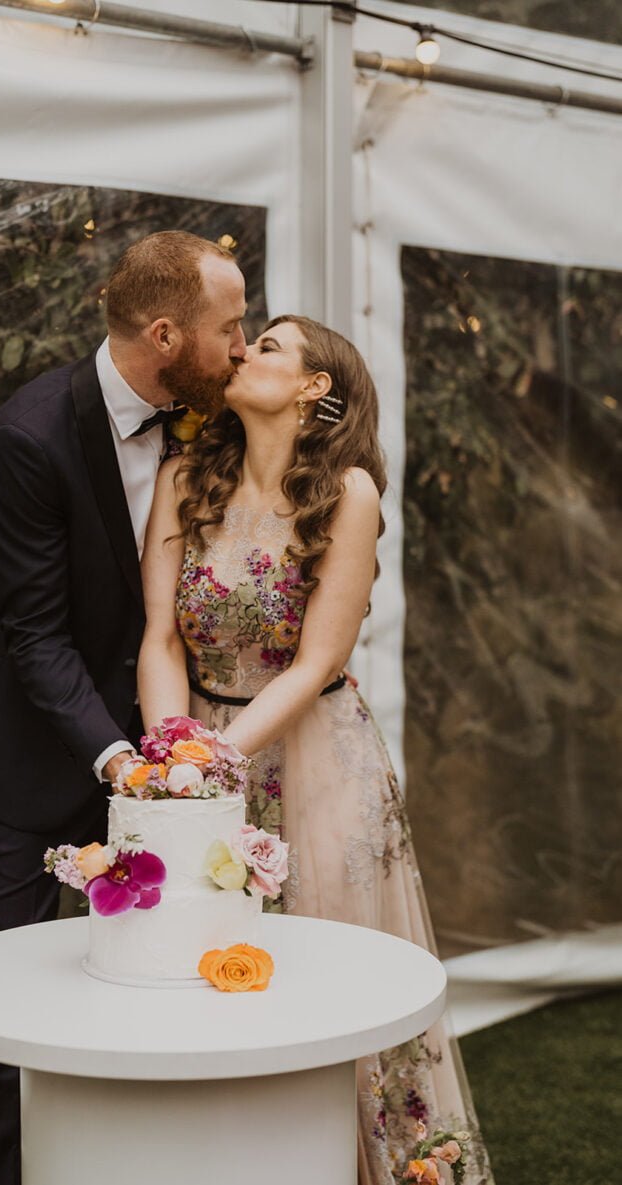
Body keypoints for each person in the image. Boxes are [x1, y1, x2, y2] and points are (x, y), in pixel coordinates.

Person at [138, 314, 494, 1184]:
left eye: (268, 345)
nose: (241, 350)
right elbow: (160, 638)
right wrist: (168, 759)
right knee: (202, 969)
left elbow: (318, 661)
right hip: (197, 744)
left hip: (316, 755)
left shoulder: (348, 493)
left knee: (327, 982)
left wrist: (209, 763)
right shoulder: (185, 476)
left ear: (314, 386)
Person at [0, 230, 247, 1185]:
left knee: (151, 983)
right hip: (34, 761)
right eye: (231, 328)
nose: (243, 347)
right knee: (8, 1006)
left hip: (161, 748)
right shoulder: (29, 436)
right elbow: (33, 635)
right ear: (166, 337)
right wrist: (126, 764)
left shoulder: (210, 415)